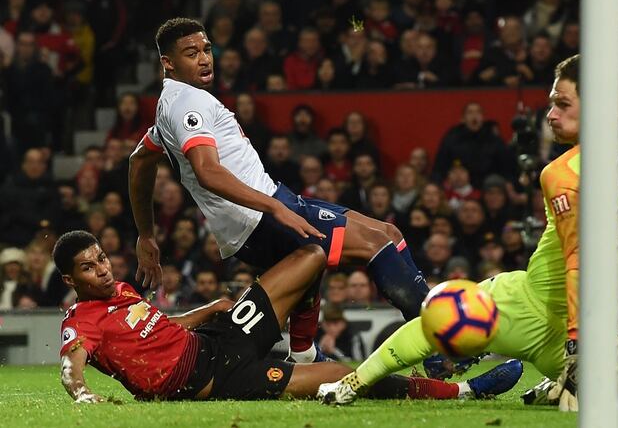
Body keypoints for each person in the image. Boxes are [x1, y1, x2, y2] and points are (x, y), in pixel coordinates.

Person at [317, 54, 618, 410]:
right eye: (551, 103)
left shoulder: (561, 173)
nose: (550, 114)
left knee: (440, 314)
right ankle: (569, 379)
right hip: (592, 326)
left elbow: (579, 261)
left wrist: (577, 344)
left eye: (562, 104)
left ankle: (351, 384)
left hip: (537, 315)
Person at [129, 18, 430, 365]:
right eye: (191, 53)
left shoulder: (169, 104)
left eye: (207, 49)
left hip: (264, 208)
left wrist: (146, 235)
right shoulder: (188, 103)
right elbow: (207, 172)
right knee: (377, 243)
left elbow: (139, 162)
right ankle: (439, 341)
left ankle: (303, 354)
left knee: (387, 233)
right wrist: (274, 208)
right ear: (168, 63)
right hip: (258, 217)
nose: (204, 59)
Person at [56, 230, 519, 403]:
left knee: (310, 256)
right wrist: (81, 394)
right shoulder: (81, 320)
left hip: (218, 337)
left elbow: (160, 331)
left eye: (101, 258)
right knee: (343, 377)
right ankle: (463, 392)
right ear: (70, 279)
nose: (103, 269)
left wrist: (209, 309)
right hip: (213, 380)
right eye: (89, 267)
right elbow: (70, 364)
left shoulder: (120, 290)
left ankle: (303, 349)